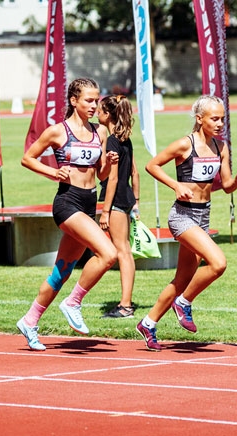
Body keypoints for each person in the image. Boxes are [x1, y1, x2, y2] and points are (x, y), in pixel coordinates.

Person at [136, 95, 237, 351]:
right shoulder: (184, 145)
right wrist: (176, 185)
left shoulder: (221, 148)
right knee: (218, 263)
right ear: (200, 119)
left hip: (203, 215)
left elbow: (226, 186)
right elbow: (151, 165)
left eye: (222, 118)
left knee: (182, 278)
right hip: (182, 216)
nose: (220, 123)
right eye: (214, 118)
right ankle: (184, 303)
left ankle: (148, 322)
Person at [15, 78, 119, 351]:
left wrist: (107, 163)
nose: (94, 105)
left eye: (96, 100)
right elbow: (28, 158)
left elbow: (101, 175)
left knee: (61, 272)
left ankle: (29, 320)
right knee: (108, 254)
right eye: (88, 100)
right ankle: (73, 302)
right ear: (74, 101)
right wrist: (53, 172)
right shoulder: (57, 131)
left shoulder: (101, 133)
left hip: (88, 202)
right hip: (67, 202)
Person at [96, 95, 140, 319]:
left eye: (99, 110)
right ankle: (126, 303)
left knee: (121, 251)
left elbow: (111, 179)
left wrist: (105, 210)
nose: (96, 113)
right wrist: (137, 201)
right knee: (125, 251)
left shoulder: (112, 140)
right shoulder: (126, 139)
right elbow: (135, 172)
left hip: (115, 201)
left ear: (108, 114)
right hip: (126, 198)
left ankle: (125, 306)